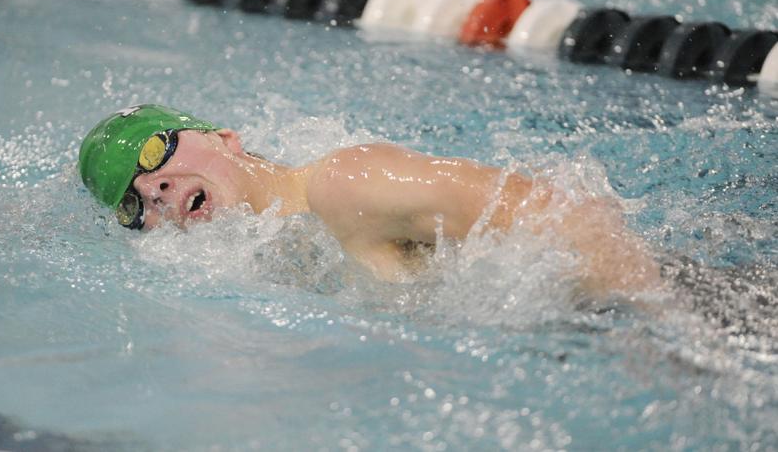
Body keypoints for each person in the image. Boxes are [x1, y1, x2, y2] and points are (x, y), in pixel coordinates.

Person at [79, 104, 662, 296]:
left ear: (226, 140)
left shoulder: (345, 184)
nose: (152, 189)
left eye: (155, 152)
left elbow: (567, 220)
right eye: (132, 207)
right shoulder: (271, 262)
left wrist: (659, 330)